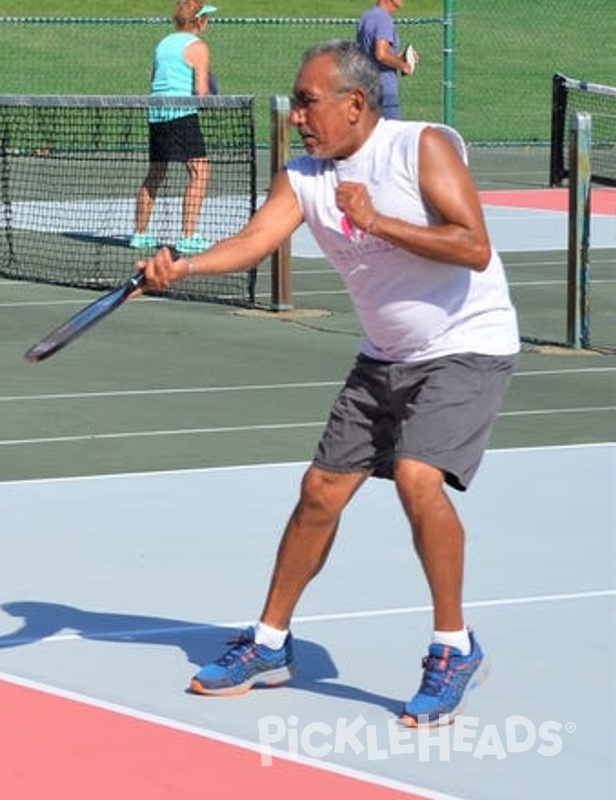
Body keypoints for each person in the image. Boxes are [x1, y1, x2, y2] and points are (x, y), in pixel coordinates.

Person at [138, 40, 519, 727]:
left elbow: (474, 246)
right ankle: (271, 644)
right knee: (319, 491)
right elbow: (255, 240)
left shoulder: (421, 147)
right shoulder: (304, 176)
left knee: (415, 476)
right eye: (295, 103)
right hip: (385, 354)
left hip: (467, 343)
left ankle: (453, 647)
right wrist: (183, 268)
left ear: (354, 103)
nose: (297, 117)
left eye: (308, 102)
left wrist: (379, 222)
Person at [130, 1, 218, 255]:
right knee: (200, 170)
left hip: (157, 113)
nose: (208, 22)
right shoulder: (198, 47)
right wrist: (214, 100)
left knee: (156, 171)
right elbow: (202, 92)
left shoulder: (163, 44)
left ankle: (140, 233)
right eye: (206, 17)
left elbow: (154, 80)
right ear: (199, 21)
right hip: (181, 113)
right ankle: (188, 237)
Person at [356, 0, 415, 120]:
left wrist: (401, 57)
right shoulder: (384, 19)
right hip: (384, 92)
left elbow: (371, 54)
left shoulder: (366, 17)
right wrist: (405, 66)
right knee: (391, 137)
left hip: (366, 88)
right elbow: (381, 54)